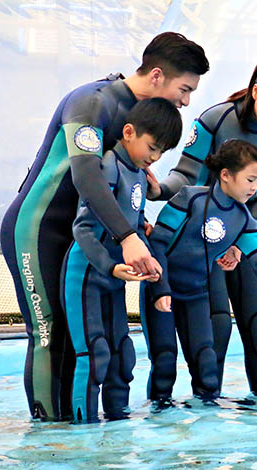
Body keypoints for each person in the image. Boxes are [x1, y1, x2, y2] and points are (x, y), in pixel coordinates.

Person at [0, 32, 209, 421]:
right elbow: (87, 178)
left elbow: (119, 186)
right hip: (39, 230)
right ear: (158, 75)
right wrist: (126, 236)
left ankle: (77, 433)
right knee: (50, 335)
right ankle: (47, 442)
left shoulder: (140, 120)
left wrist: (137, 223)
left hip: (87, 235)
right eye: (184, 89)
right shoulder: (93, 102)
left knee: (90, 341)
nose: (186, 101)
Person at [147, 60, 257, 398]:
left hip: (242, 234)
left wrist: (239, 239)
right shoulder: (215, 120)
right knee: (215, 331)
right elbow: (186, 176)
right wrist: (159, 190)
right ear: (256, 92)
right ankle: (208, 412)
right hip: (204, 246)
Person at [60, 98, 182, 423]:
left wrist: (149, 260)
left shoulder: (140, 176)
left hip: (116, 277)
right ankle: (84, 431)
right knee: (95, 353)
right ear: (129, 132)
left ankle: (117, 426)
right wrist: (110, 265)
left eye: (161, 153)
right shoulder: (109, 165)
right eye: (152, 148)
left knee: (121, 354)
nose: (154, 158)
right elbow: (83, 228)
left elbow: (135, 222)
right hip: (86, 273)